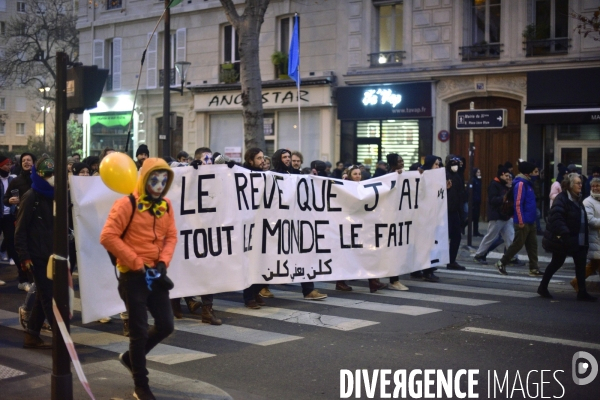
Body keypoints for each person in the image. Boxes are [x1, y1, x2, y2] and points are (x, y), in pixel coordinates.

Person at [100, 157, 178, 399]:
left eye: (164, 180)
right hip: (132, 277)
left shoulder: (165, 204)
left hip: (155, 275)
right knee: (139, 331)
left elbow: (171, 236)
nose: (159, 184)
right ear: (144, 179)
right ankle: (141, 385)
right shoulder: (126, 204)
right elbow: (108, 236)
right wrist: (136, 263)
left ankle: (130, 358)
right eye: (154, 179)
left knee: (166, 325)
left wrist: (164, 262)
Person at [269, 149, 327, 300]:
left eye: (290, 157)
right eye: (285, 157)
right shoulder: (272, 175)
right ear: (278, 159)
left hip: (297, 222)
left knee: (303, 255)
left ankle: (308, 290)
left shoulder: (297, 175)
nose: (288, 160)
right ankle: (260, 288)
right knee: (272, 256)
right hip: (279, 223)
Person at [15, 157, 56, 349]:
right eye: (47, 174)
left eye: (53, 174)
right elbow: (20, 230)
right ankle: (60, 335)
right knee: (48, 296)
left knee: (42, 295)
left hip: (50, 254)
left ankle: (31, 334)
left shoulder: (54, 196)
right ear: (39, 175)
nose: (51, 178)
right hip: (36, 256)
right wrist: (25, 257)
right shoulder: (30, 196)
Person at [538, 173, 596, 301]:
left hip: (578, 239)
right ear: (570, 185)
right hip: (564, 239)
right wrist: (565, 234)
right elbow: (557, 218)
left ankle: (582, 292)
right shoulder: (562, 198)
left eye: (581, 183)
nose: (581, 185)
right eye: (578, 183)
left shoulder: (577, 198)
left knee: (580, 264)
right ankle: (542, 287)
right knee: (556, 263)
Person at [335, 165, 388, 293]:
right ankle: (341, 282)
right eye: (355, 174)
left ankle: (373, 281)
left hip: (362, 227)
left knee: (368, 253)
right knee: (349, 254)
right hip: (349, 227)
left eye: (359, 174)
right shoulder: (345, 186)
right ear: (349, 175)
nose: (358, 176)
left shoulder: (363, 186)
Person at [495, 161, 542, 276]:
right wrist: (520, 220)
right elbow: (518, 203)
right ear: (528, 173)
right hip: (523, 221)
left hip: (530, 220)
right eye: (535, 172)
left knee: (533, 245)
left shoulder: (528, 183)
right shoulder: (521, 184)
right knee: (517, 244)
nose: (537, 174)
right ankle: (502, 262)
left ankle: (534, 268)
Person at [241, 148, 270, 308]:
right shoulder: (244, 174)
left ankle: (257, 290)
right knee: (250, 262)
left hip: (263, 223)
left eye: (263, 158)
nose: (262, 161)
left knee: (265, 261)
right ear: (251, 160)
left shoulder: (265, 175)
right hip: (249, 225)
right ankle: (249, 297)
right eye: (259, 158)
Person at [4, 152, 36, 291]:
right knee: (22, 249)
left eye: (29, 160)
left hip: (37, 220)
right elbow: (6, 199)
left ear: (34, 163)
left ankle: (34, 278)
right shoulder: (16, 181)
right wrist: (9, 201)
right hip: (21, 218)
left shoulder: (39, 179)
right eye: (24, 160)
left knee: (35, 249)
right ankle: (23, 279)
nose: (26, 162)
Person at [473, 167, 513, 264]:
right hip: (497, 216)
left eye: (509, 176)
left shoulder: (504, 185)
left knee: (510, 237)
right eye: (506, 176)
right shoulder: (494, 185)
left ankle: (512, 256)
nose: (508, 178)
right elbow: (493, 200)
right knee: (490, 237)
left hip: (505, 216)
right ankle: (479, 255)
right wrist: (503, 198)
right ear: (501, 175)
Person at [570, 177, 600, 293]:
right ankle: (577, 282)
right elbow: (590, 220)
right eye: (593, 186)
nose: (595, 188)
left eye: (597, 185)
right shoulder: (588, 202)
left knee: (593, 264)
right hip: (594, 238)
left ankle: (576, 282)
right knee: (594, 263)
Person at [445, 156, 466, 271]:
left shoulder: (457, 176)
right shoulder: (444, 175)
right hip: (445, 211)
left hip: (454, 211)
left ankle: (451, 260)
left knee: (456, 237)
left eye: (457, 164)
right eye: (453, 163)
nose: (455, 166)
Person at [471, 167, 482, 236]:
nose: (479, 173)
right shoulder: (473, 180)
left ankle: (476, 231)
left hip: (477, 200)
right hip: (474, 201)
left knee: (476, 216)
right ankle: (463, 225)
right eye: (478, 172)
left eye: (479, 172)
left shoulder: (479, 180)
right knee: (473, 216)